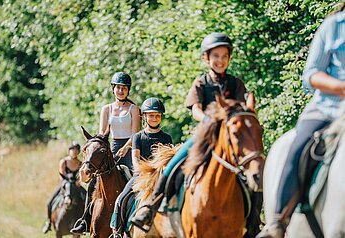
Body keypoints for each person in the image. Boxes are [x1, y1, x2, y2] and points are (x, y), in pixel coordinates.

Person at [131, 32, 248, 231]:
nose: (220, 60)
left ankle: (254, 220)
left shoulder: (235, 83)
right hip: (204, 136)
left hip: (229, 138)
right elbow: (195, 110)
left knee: (251, 173)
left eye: (224, 56)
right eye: (216, 56)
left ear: (229, 58)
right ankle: (150, 207)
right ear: (206, 58)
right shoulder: (201, 83)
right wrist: (208, 119)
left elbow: (242, 109)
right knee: (173, 165)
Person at [257, 3, 345, 238]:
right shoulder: (334, 25)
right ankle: (278, 221)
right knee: (297, 147)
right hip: (329, 109)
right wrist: (341, 87)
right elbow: (312, 74)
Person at [70, 72, 140, 234]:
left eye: (124, 88)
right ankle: (85, 220)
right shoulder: (106, 109)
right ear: (113, 89)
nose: (121, 91)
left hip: (130, 149)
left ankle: (139, 218)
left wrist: (127, 147)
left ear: (128, 90)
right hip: (112, 148)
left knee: (136, 181)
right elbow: (103, 132)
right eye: (118, 88)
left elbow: (135, 133)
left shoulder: (133, 109)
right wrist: (97, 144)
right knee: (94, 183)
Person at [110, 97, 173, 236]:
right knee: (121, 198)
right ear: (144, 116)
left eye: (157, 116)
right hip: (142, 176)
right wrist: (143, 172)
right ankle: (118, 229)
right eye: (151, 115)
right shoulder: (138, 137)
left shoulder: (166, 138)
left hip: (160, 176)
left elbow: (168, 159)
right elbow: (135, 159)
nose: (155, 118)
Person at [42, 141, 83, 234]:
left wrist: (78, 182)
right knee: (49, 202)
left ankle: (85, 223)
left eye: (77, 150)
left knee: (87, 199)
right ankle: (49, 222)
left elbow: (81, 176)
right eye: (73, 149)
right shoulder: (63, 161)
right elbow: (62, 175)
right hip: (65, 184)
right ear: (69, 150)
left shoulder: (80, 163)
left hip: (76, 186)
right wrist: (68, 181)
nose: (75, 151)